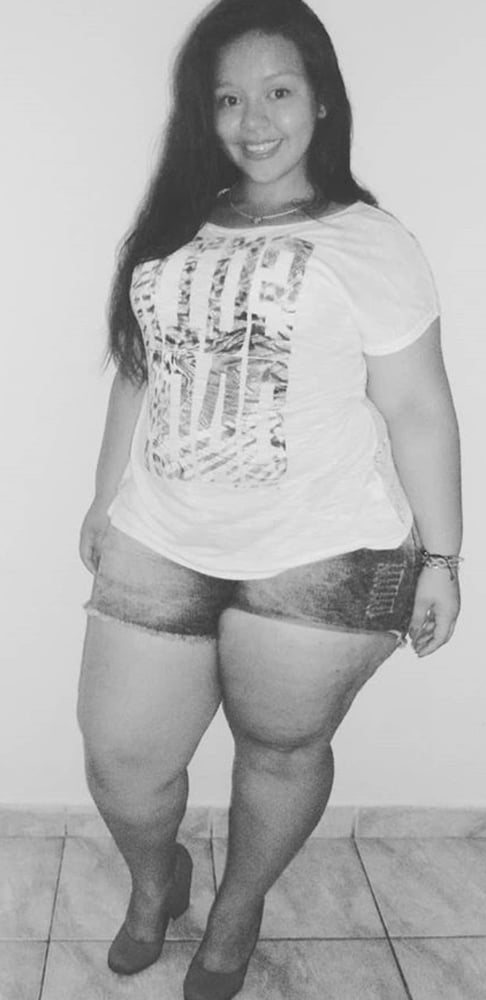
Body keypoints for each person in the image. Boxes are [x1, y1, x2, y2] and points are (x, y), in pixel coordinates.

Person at [77, 0, 463, 996]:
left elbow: (418, 407)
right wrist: (103, 496)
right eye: (228, 99)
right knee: (122, 760)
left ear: (321, 100)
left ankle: (239, 906)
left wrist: (444, 558)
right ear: (202, 113)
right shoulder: (175, 226)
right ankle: (157, 880)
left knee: (282, 749)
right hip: (162, 536)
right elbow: (140, 369)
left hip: (327, 553)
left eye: (279, 91)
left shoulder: (370, 240)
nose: (254, 120)